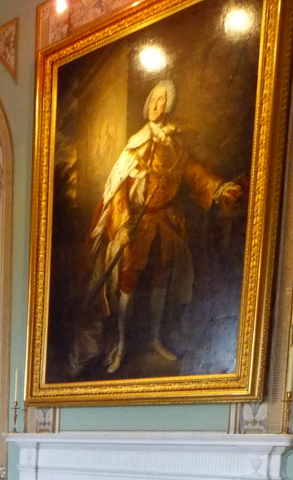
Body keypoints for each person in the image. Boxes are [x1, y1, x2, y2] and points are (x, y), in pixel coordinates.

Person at [70, 79, 244, 375]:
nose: (156, 105)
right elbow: (119, 190)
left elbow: (194, 171)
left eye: (162, 100)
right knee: (128, 282)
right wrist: (123, 225)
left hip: (164, 223)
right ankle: (121, 344)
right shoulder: (136, 145)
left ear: (169, 106)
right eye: (153, 99)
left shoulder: (174, 145)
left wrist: (218, 188)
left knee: (162, 281)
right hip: (135, 225)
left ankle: (154, 339)